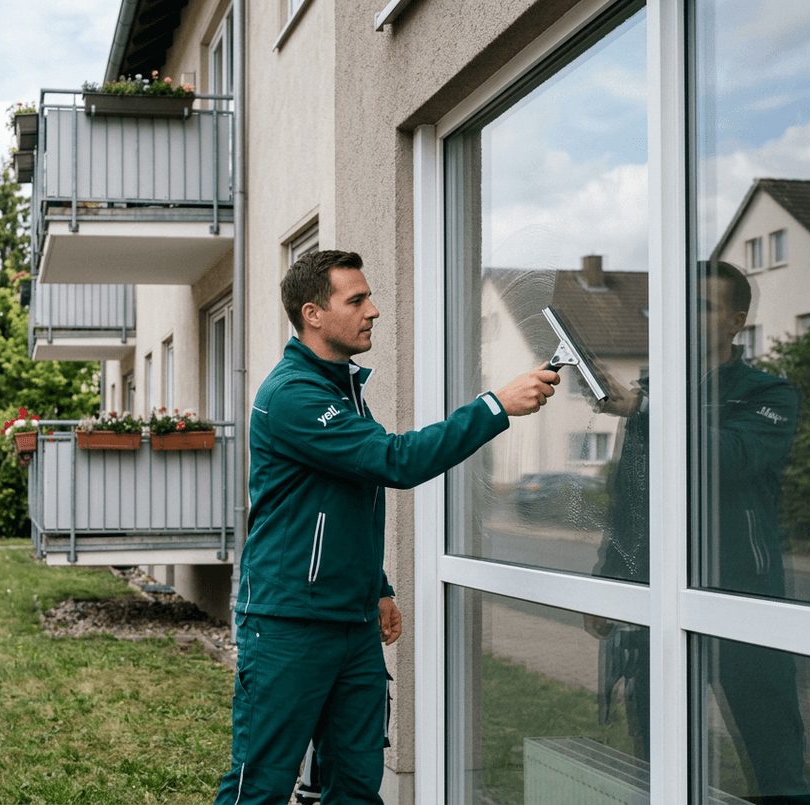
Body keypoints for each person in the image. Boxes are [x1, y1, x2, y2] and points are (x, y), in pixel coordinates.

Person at [214, 250, 559, 805]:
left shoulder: (339, 388)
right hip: (289, 623)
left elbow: (336, 504)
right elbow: (394, 461)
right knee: (260, 784)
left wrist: (375, 587)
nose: (373, 310)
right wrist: (496, 406)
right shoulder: (294, 396)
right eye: (357, 300)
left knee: (355, 784)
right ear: (313, 315)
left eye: (369, 297)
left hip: (350, 623)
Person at [587, 259, 810, 801]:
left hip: (742, 599)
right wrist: (609, 579)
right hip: (659, 601)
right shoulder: (655, 390)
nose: (687, 315)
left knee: (774, 755)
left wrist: (646, 408)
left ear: (736, 322)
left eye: (704, 306)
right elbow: (631, 496)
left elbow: (731, 457)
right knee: (661, 756)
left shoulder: (769, 394)